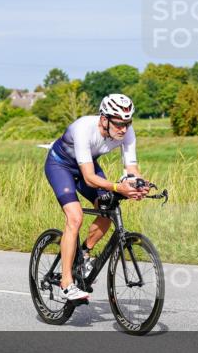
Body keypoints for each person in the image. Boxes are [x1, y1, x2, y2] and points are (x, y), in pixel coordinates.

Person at [44, 94, 149, 301]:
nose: (123, 129)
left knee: (107, 208)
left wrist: (138, 184)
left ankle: (84, 253)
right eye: (118, 124)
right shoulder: (84, 128)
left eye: (127, 123)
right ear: (104, 119)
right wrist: (119, 187)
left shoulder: (127, 132)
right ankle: (66, 282)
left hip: (87, 165)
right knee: (75, 217)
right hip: (60, 166)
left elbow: (131, 168)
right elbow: (89, 178)